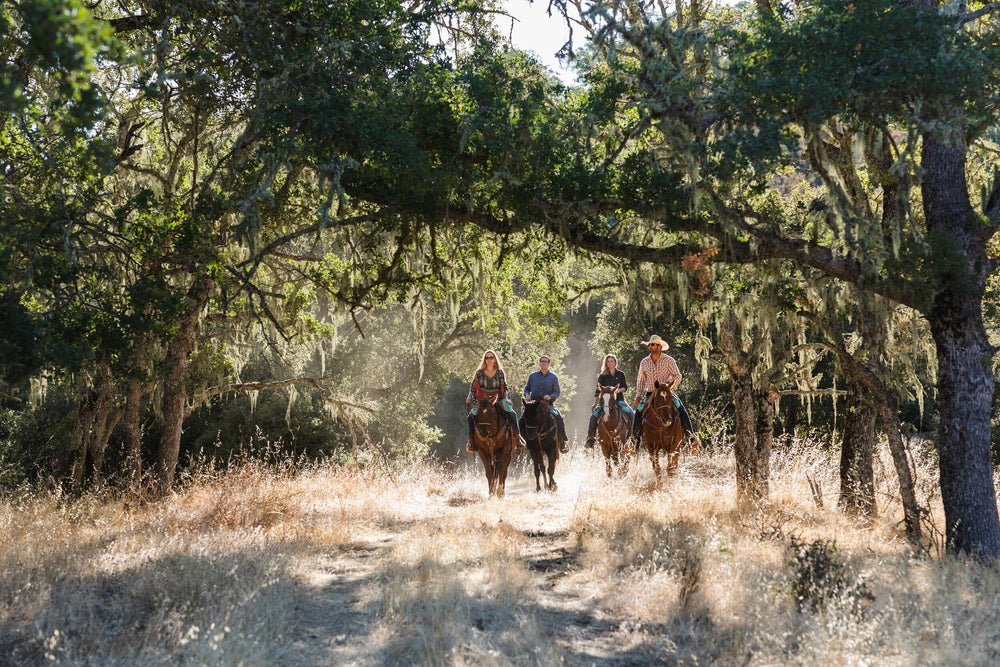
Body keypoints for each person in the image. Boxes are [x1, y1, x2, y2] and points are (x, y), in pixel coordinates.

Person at [632, 335, 701, 449]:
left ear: (659, 347)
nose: (650, 346)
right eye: (649, 344)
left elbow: (678, 375)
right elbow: (641, 380)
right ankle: (633, 439)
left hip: (665, 393)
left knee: (680, 407)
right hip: (650, 393)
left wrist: (668, 384)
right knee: (638, 411)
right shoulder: (644, 362)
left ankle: (690, 436)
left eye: (653, 344)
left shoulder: (669, 360)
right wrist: (638, 395)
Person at [466, 349, 521, 453]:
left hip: (498, 399)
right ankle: (471, 441)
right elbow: (473, 388)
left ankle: (518, 439)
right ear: (484, 360)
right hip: (482, 401)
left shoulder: (500, 373)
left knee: (512, 414)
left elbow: (504, 388)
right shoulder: (479, 373)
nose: (489, 360)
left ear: (495, 359)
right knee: (471, 417)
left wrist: (507, 399)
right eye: (487, 358)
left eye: (491, 357)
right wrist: (469, 397)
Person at [584, 353, 635, 449]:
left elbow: (625, 387)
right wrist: (595, 403)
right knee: (593, 416)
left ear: (615, 363)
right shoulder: (602, 376)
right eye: (608, 361)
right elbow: (597, 391)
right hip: (604, 403)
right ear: (606, 363)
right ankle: (590, 439)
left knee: (632, 413)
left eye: (612, 361)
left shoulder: (621, 374)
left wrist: (617, 391)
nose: (610, 363)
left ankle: (632, 438)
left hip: (619, 400)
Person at [521, 355, 569, 453]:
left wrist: (550, 396)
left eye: (546, 361)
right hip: (534, 404)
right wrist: (527, 395)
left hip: (547, 405)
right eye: (542, 361)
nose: (544, 363)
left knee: (559, 418)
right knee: (522, 419)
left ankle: (562, 442)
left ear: (548, 364)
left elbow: (557, 392)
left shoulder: (553, 377)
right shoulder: (532, 376)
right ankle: (519, 443)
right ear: (539, 363)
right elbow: (526, 388)